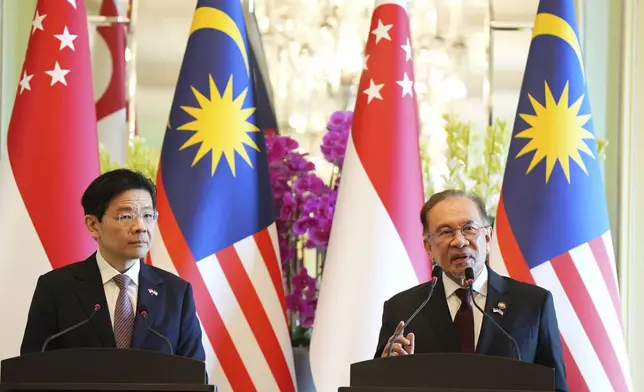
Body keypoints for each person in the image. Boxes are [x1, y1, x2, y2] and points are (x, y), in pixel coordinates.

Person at [374, 189, 569, 392]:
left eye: (469, 228)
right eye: (445, 232)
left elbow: (556, 387)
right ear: (428, 247)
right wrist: (388, 370)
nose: (459, 241)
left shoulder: (533, 304)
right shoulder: (404, 309)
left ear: (487, 237)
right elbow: (377, 385)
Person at [20, 168, 205, 361]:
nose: (140, 227)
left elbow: (196, 376)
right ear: (93, 225)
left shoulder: (176, 293)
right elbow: (31, 370)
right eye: (125, 217)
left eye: (148, 215)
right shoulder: (56, 289)